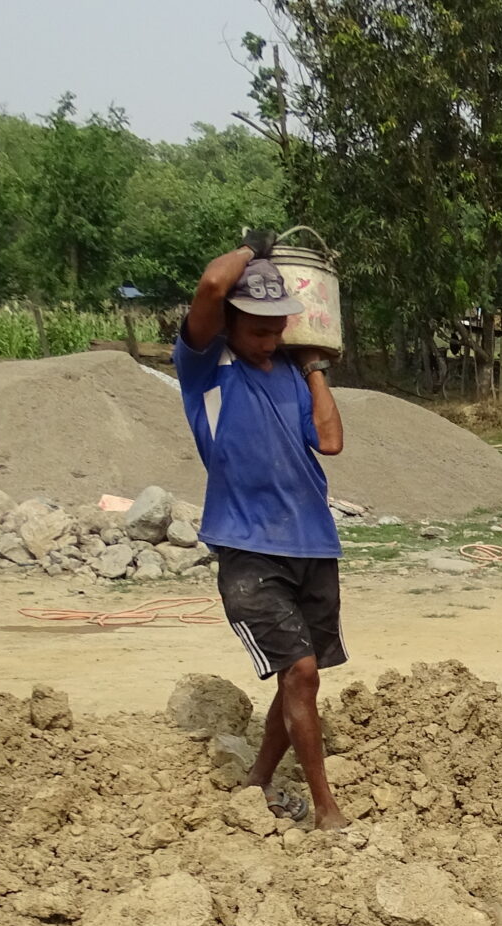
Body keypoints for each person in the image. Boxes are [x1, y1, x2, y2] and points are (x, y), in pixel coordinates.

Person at [176, 234, 348, 831]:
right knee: (298, 672)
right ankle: (325, 809)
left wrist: (315, 369)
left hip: (314, 542)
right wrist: (253, 250)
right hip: (248, 546)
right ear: (228, 324)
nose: (269, 338)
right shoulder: (205, 364)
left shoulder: (291, 374)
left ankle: (258, 782)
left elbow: (329, 441)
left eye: (278, 327)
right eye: (257, 328)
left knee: (302, 674)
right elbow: (211, 284)